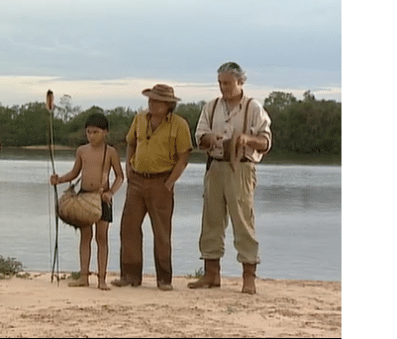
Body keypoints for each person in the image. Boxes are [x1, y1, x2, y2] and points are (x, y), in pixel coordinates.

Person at [187, 62, 272, 294]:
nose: (223, 87)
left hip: (242, 168)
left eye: (227, 83)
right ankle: (211, 274)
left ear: (240, 82)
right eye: (220, 83)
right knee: (211, 221)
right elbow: (199, 137)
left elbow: (265, 142)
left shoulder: (253, 108)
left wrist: (246, 139)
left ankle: (248, 277)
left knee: (243, 221)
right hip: (215, 166)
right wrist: (210, 138)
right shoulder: (212, 106)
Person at [110, 84, 193, 291]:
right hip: (137, 180)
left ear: (168, 105)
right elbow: (131, 143)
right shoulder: (139, 119)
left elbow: (183, 159)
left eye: (157, 100)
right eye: (150, 99)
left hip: (161, 182)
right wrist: (128, 167)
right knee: (128, 228)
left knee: (162, 232)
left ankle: (164, 279)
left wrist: (169, 183)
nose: (152, 103)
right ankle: (130, 276)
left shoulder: (179, 125)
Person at [50, 113, 124, 291]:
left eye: (96, 132)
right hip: (84, 196)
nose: (91, 136)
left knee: (102, 238)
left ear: (105, 132)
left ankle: (102, 279)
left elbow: (120, 177)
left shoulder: (110, 152)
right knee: (85, 237)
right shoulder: (82, 151)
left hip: (102, 198)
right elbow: (74, 173)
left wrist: (111, 192)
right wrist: (59, 179)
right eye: (89, 132)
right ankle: (84, 276)